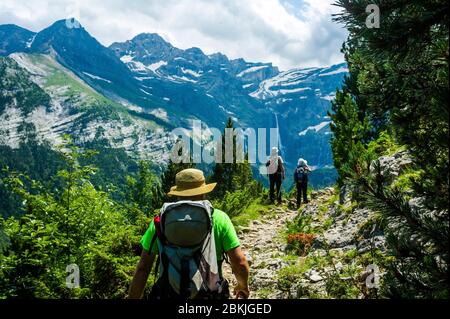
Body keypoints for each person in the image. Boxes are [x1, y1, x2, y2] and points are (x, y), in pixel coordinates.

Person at [128, 168, 250, 300]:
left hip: (168, 294)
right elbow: (240, 262)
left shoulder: (160, 221)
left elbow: (143, 268)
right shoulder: (219, 218)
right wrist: (243, 287)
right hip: (209, 295)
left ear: (178, 193)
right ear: (203, 191)